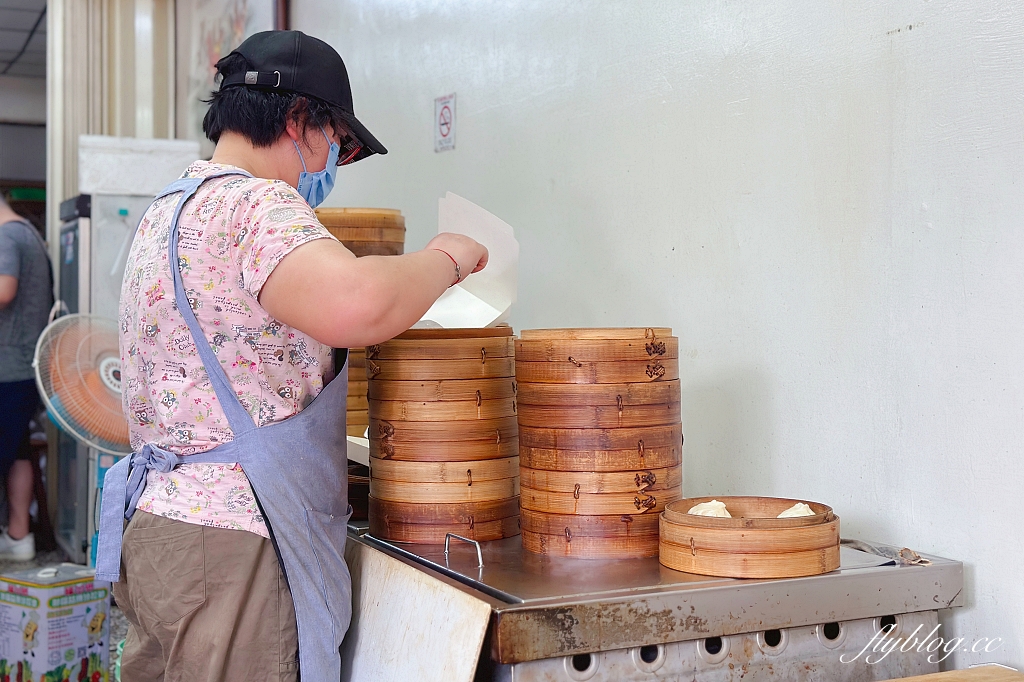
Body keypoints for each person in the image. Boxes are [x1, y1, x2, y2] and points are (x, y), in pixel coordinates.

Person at [94, 30, 487, 681]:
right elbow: (360, 304)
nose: (334, 157)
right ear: (299, 120)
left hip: (161, 531)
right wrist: (447, 257)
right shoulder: (255, 205)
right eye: (339, 140)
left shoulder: (168, 211)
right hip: (233, 545)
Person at [0, 193, 51, 561]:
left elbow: (5, 289)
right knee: (17, 451)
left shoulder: (6, 236)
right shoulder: (29, 234)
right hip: (24, 365)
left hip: (7, 366)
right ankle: (18, 537)